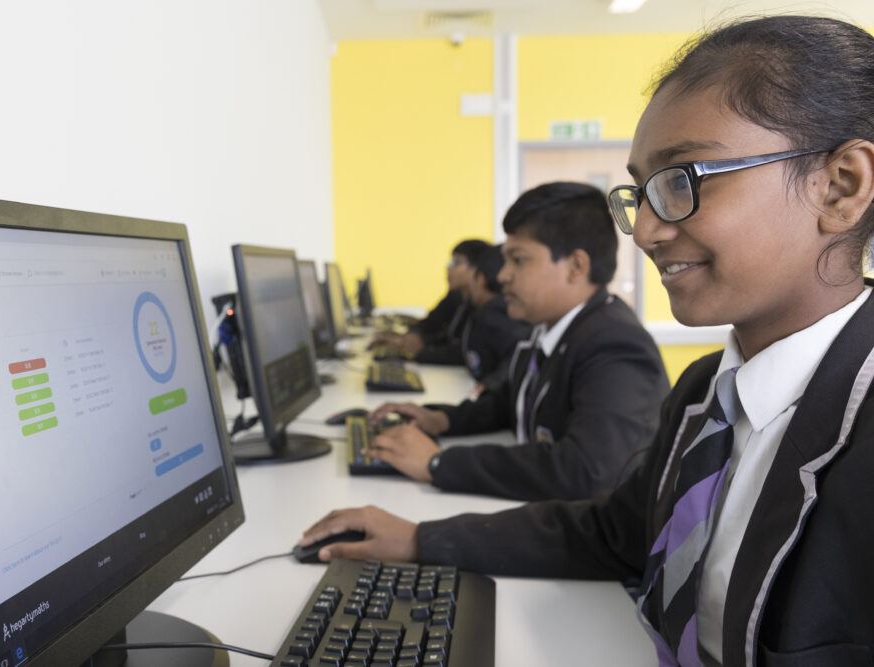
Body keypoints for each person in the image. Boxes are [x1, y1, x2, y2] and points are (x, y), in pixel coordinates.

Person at [300, 15, 874, 665]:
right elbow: (612, 531)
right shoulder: (705, 394)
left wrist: (437, 465)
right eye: (642, 193)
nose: (646, 230)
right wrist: (421, 539)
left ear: (842, 186)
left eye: (683, 179)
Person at [366, 182, 669, 501]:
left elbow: (586, 471)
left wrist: (439, 463)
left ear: (575, 267)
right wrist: (442, 420)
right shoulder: (549, 328)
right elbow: (511, 403)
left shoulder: (614, 345)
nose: (503, 276)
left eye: (518, 260)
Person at [374, 239, 486, 363]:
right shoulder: (459, 298)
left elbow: (463, 352)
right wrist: (409, 340)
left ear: (476, 269)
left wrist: (422, 353)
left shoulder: (483, 307)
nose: (448, 267)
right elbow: (436, 327)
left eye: (456, 262)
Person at [454, 242, 531, 391]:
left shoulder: (494, 312)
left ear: (480, 279)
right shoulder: (482, 309)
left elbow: (517, 353)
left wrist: (489, 384)